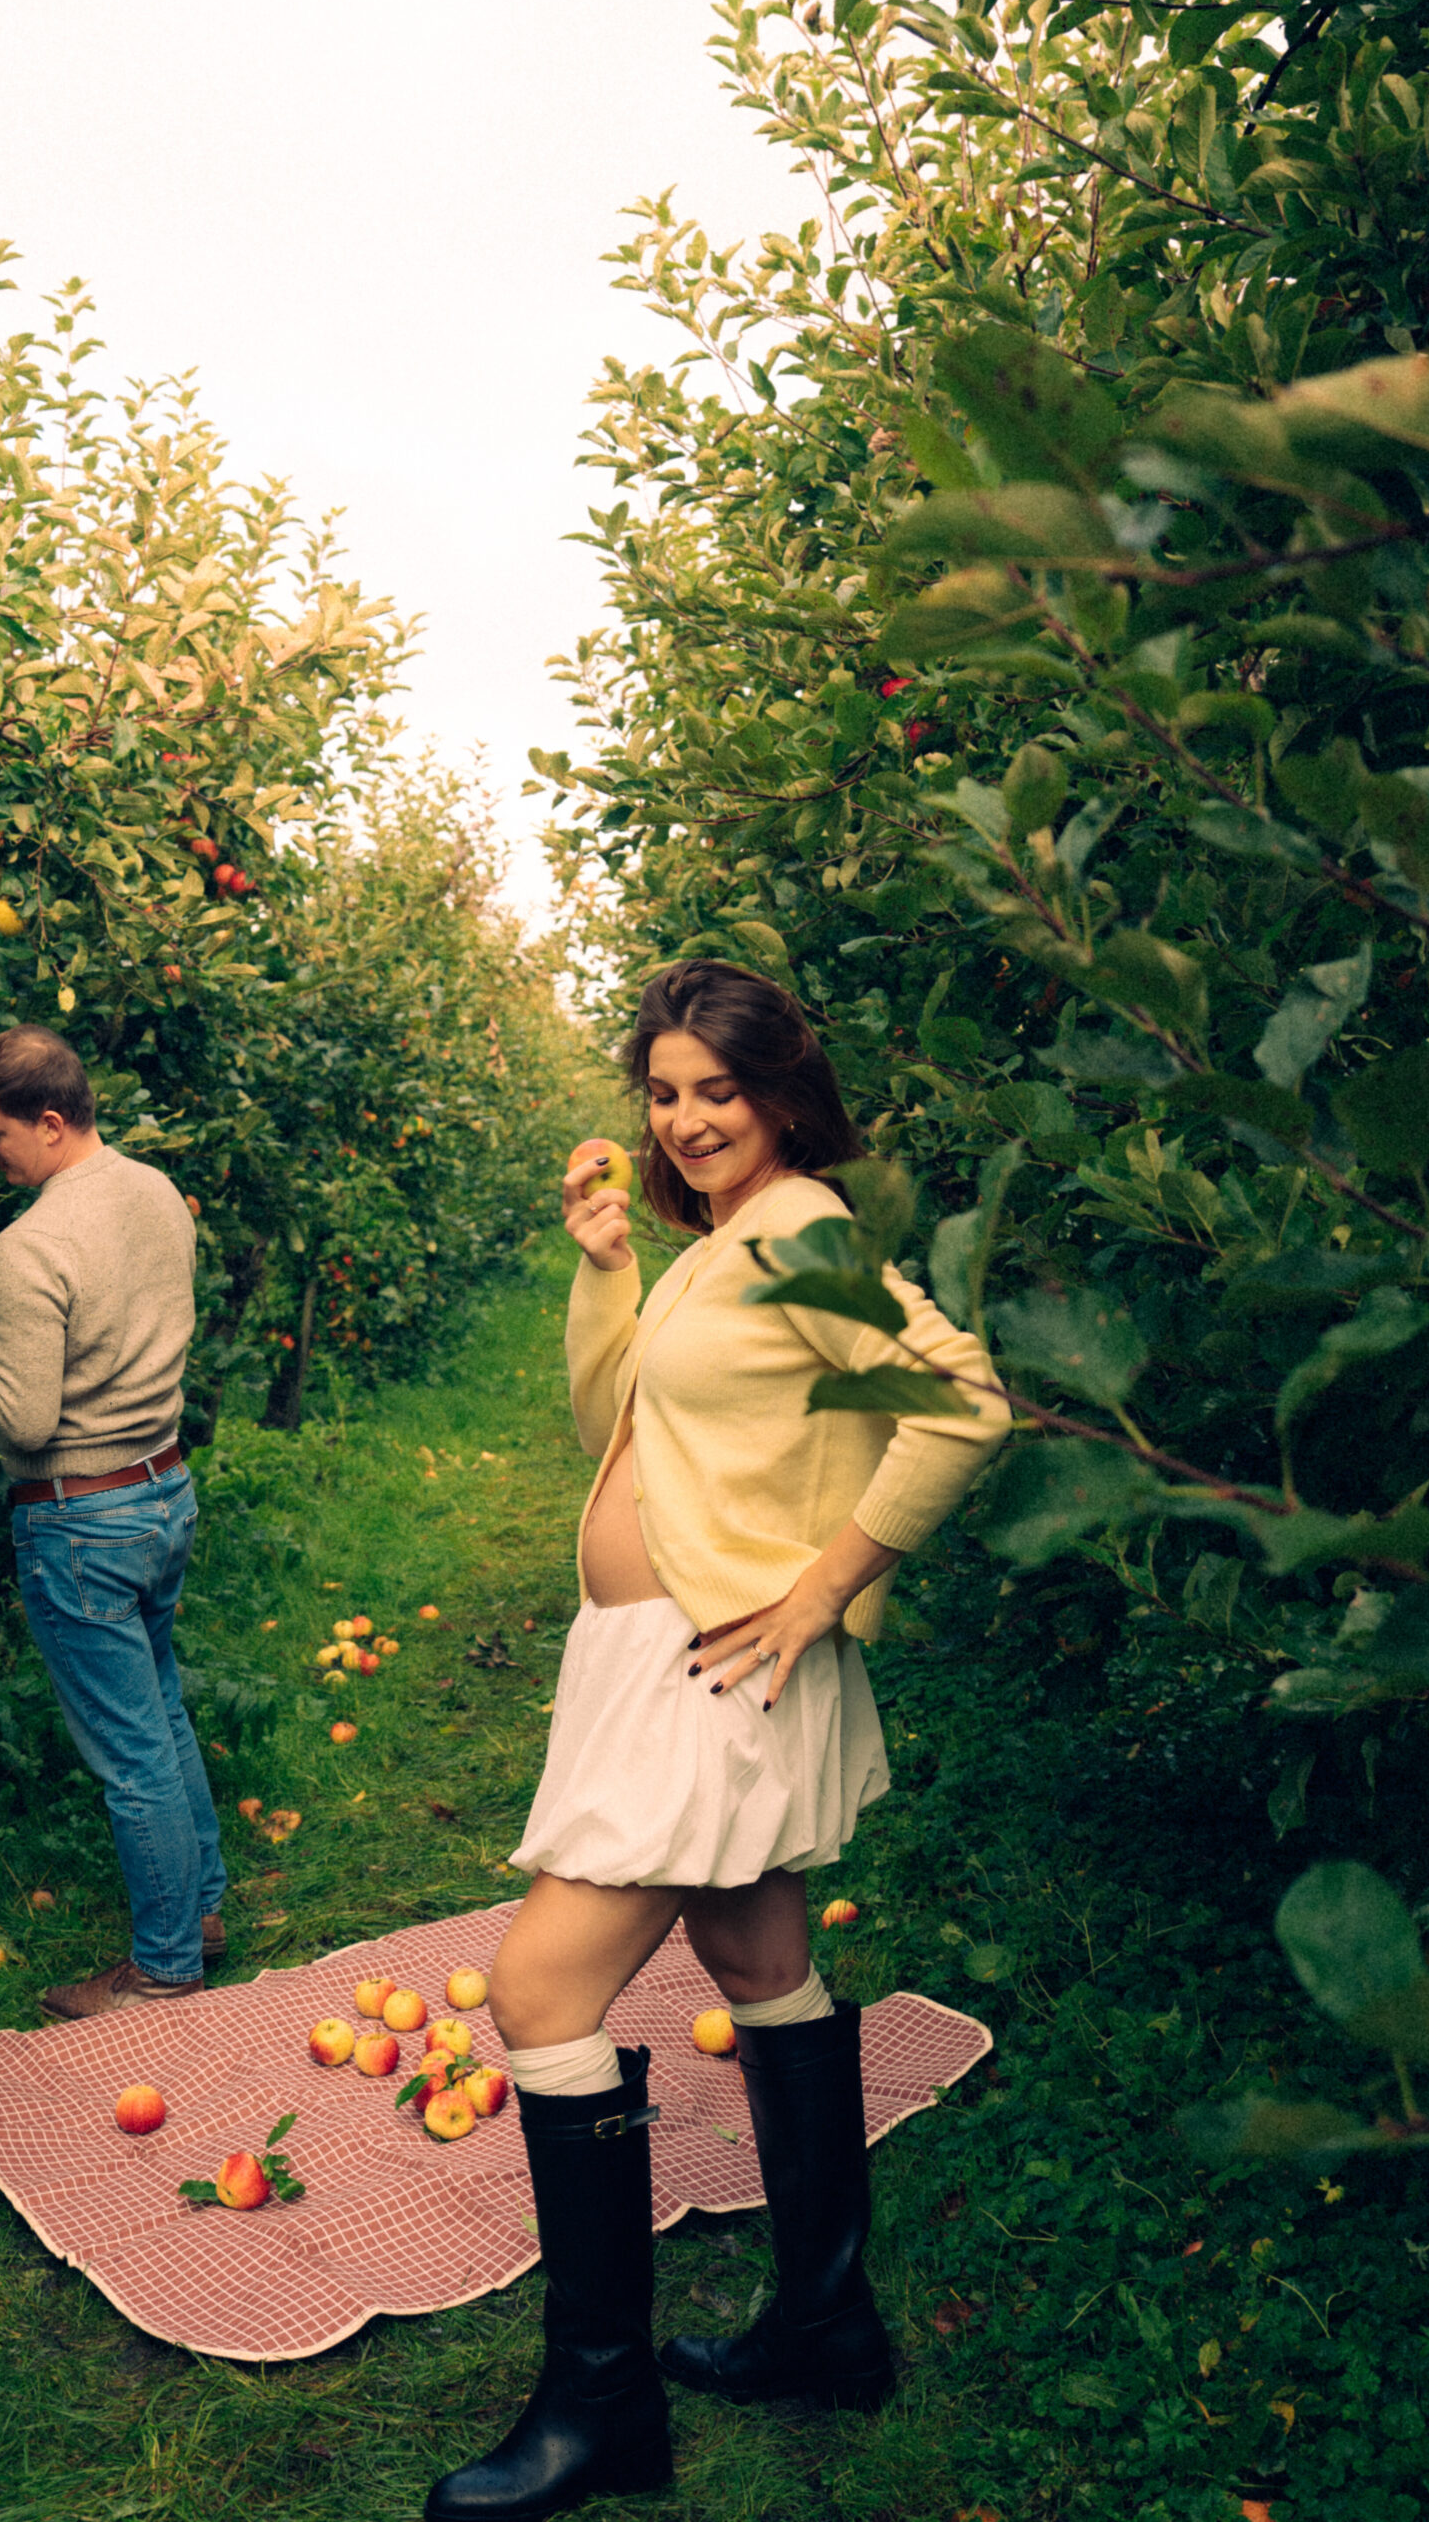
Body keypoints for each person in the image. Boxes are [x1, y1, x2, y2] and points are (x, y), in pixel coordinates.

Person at [425, 960, 1011, 2522]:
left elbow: (964, 1404)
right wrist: (607, 1263)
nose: (686, 1120)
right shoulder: (721, 1243)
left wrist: (826, 1589)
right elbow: (619, 1421)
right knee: (758, 1960)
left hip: (712, 1661)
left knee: (542, 1988)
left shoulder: (808, 1234)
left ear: (781, 1092)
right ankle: (827, 2327)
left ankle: (601, 2408)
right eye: (665, 1093)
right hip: (659, 1658)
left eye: (717, 1091)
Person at [0, 1024, 227, 2019]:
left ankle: (163, 1969)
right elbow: (123, 1306)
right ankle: (198, 1911)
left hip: (82, 1520)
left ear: (48, 1120)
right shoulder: (153, 1192)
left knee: (130, 1750)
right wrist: (13, 1306)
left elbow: (25, 1418)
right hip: (161, 1492)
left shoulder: (29, 1242)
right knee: (159, 1709)